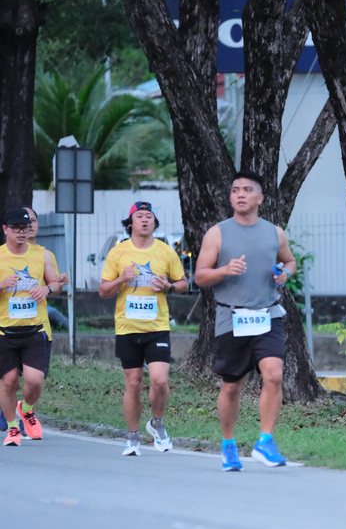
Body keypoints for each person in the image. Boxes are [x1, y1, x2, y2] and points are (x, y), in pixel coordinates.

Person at [194, 170, 296, 471]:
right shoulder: (217, 233)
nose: (240, 194)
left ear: (260, 198)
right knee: (231, 386)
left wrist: (285, 274)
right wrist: (224, 270)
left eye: (247, 190)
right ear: (230, 197)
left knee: (273, 374)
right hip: (232, 317)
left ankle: (265, 441)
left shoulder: (275, 233)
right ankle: (228, 444)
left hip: (268, 314)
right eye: (235, 190)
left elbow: (289, 261)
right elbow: (200, 276)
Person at [99, 201, 188, 456]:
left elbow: (183, 283)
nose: (145, 220)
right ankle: (133, 437)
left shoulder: (165, 251)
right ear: (131, 223)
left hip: (157, 326)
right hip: (127, 328)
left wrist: (169, 286)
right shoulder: (118, 252)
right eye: (140, 216)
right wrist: (121, 279)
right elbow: (103, 290)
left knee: (160, 380)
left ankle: (156, 423)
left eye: (149, 216)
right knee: (134, 383)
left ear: (154, 222)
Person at [0, 206, 59, 446]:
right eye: (16, 228)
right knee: (9, 382)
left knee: (35, 380)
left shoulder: (42, 254)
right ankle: (13, 428)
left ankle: (25, 409)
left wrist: (47, 288)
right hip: (4, 331)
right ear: (5, 229)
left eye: (25, 227)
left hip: (35, 330)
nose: (22, 232)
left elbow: (55, 283)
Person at [24, 207, 70, 331]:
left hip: (38, 327)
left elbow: (55, 290)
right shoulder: (4, 255)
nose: (30, 225)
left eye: (33, 220)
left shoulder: (46, 255)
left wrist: (57, 283)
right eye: (25, 221)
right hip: (8, 327)